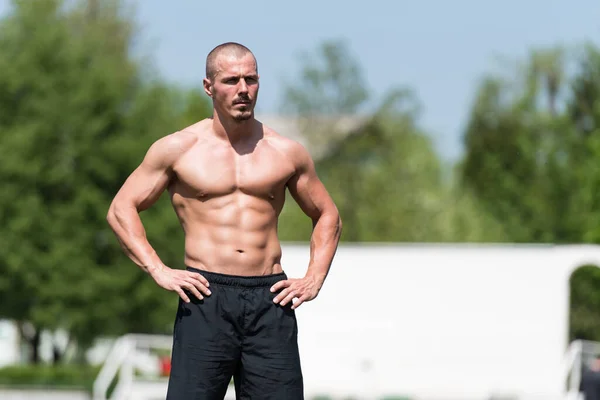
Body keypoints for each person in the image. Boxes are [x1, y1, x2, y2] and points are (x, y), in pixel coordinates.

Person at [106, 42, 342, 400]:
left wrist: (314, 278)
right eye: (231, 80)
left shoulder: (285, 152)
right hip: (206, 297)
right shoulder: (179, 148)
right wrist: (158, 269)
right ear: (208, 87)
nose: (243, 89)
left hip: (270, 300)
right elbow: (121, 209)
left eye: (252, 79)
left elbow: (327, 214)